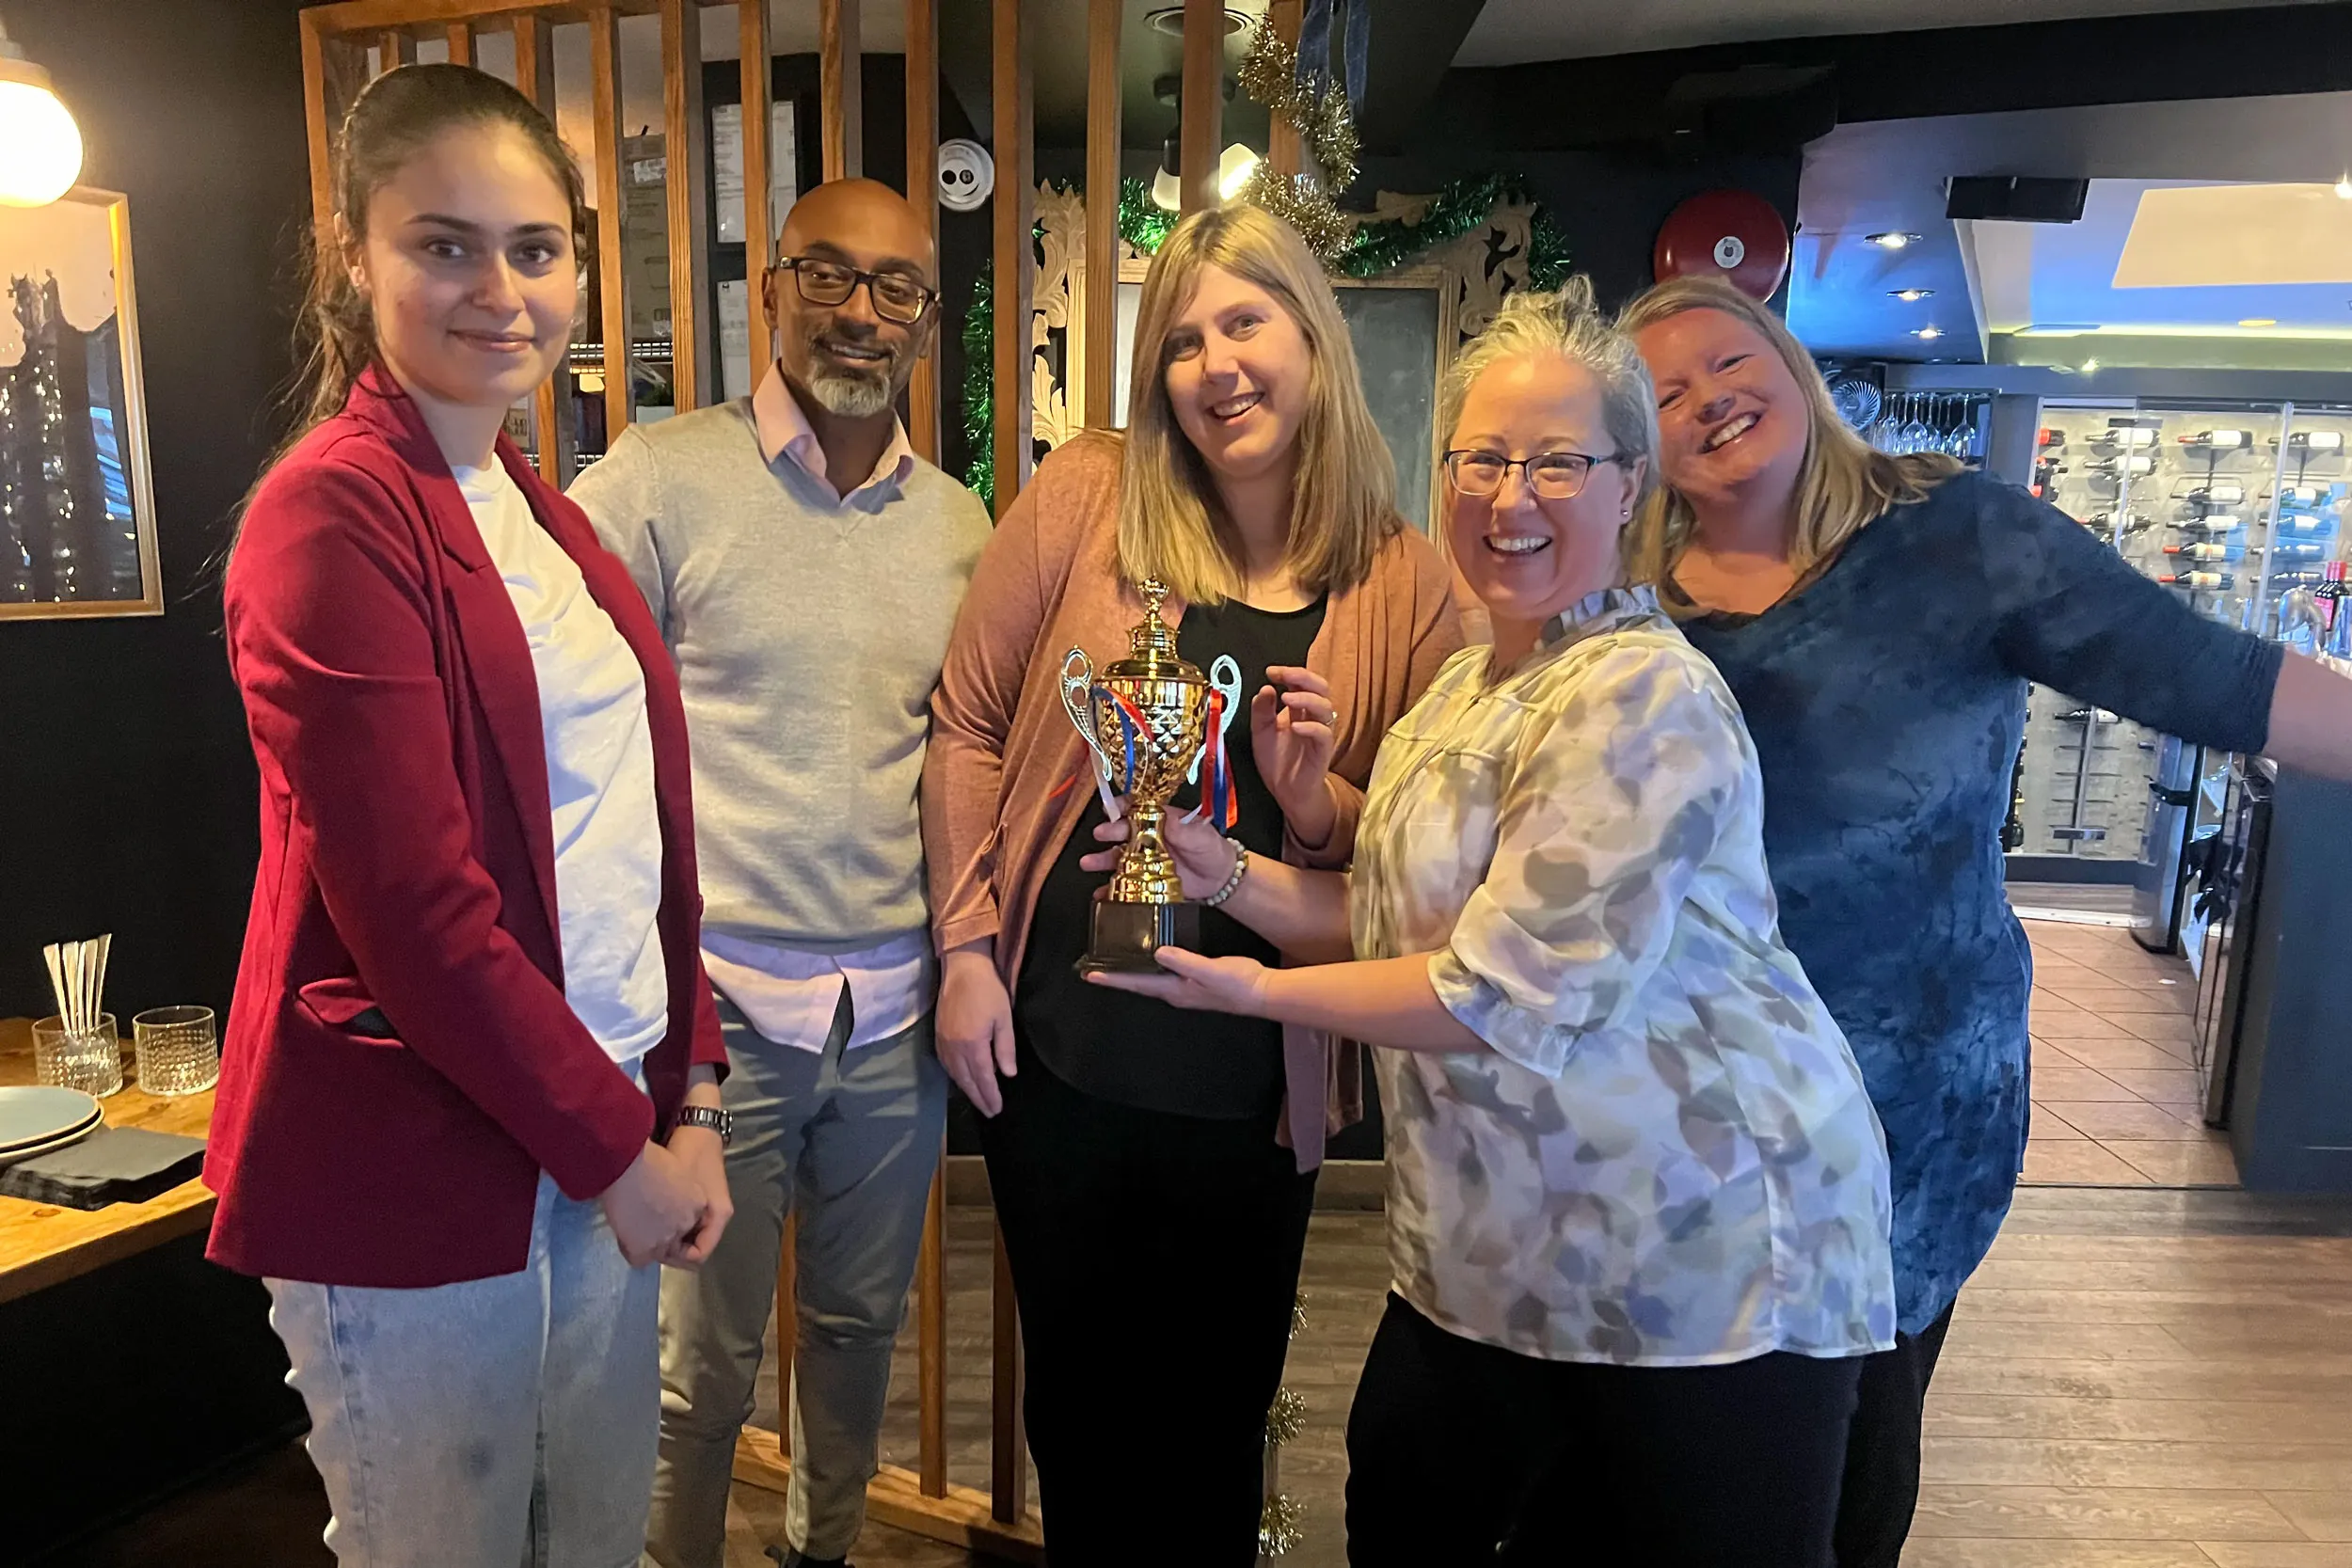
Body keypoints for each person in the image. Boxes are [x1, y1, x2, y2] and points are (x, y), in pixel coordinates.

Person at [1088, 278, 1895, 1568]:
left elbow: (1498, 993)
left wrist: (1251, 995)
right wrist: (1219, 873)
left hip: (1698, 1273)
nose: (1510, 497)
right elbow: (1379, 924)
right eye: (1480, 459)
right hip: (1487, 1257)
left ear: (1633, 485)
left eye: (1558, 462)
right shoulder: (1469, 684)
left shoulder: (1641, 696)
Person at [1620, 276, 2352, 1568]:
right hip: (1680, 1120)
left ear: (1789, 365)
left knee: (1846, 1466)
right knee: (1672, 1461)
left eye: (1729, 359)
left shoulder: (1955, 533)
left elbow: (2208, 672)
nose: (1708, 399)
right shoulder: (1621, 598)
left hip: (1903, 1116)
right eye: (1664, 392)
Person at [211, 64, 731, 1568]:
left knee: (586, 1550)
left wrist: (687, 1097)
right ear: (353, 257)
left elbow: (643, 849)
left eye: (536, 247)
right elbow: (422, 919)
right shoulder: (327, 514)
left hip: (601, 1139)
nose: (499, 288)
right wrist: (625, 1157)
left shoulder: (533, 506)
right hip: (424, 1170)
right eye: (443, 244)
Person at [920, 203, 1464, 1565]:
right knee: (1081, 1421)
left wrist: (1312, 795)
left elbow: (1409, 863)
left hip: (1248, 1090)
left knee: (1217, 1424)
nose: (1216, 364)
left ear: (1311, 338)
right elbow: (969, 720)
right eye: (1183, 339)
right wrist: (969, 949)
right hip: (1061, 1055)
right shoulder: (1092, 495)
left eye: (1245, 322)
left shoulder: (1405, 581)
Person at [568, 179, 990, 1568]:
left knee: (861, 1333)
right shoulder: (659, 475)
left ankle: (824, 1553)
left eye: (895, 288)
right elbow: (551, 676)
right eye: (827, 275)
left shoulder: (959, 525)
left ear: (926, 318)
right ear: (770, 288)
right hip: (720, 1016)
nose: (860, 313)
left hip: (892, 1013)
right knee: (702, 1369)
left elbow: (971, 749)